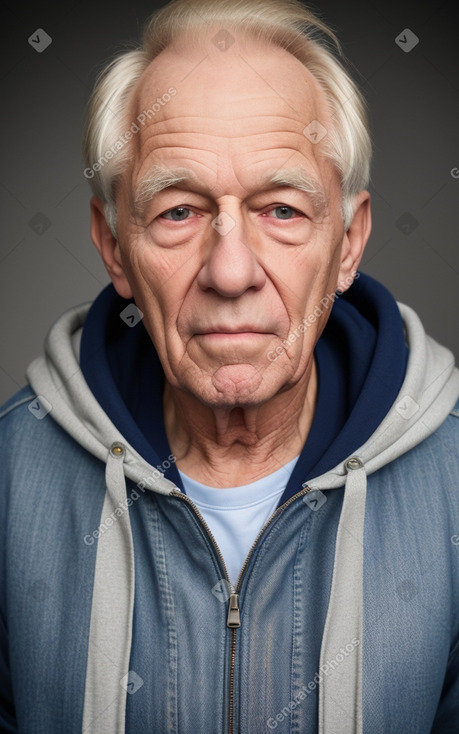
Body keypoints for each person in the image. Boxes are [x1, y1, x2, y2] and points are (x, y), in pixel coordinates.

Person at [1, 0, 458, 731]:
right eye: (178, 211)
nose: (231, 270)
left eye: (281, 209)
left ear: (347, 242)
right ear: (114, 245)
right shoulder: (7, 479)